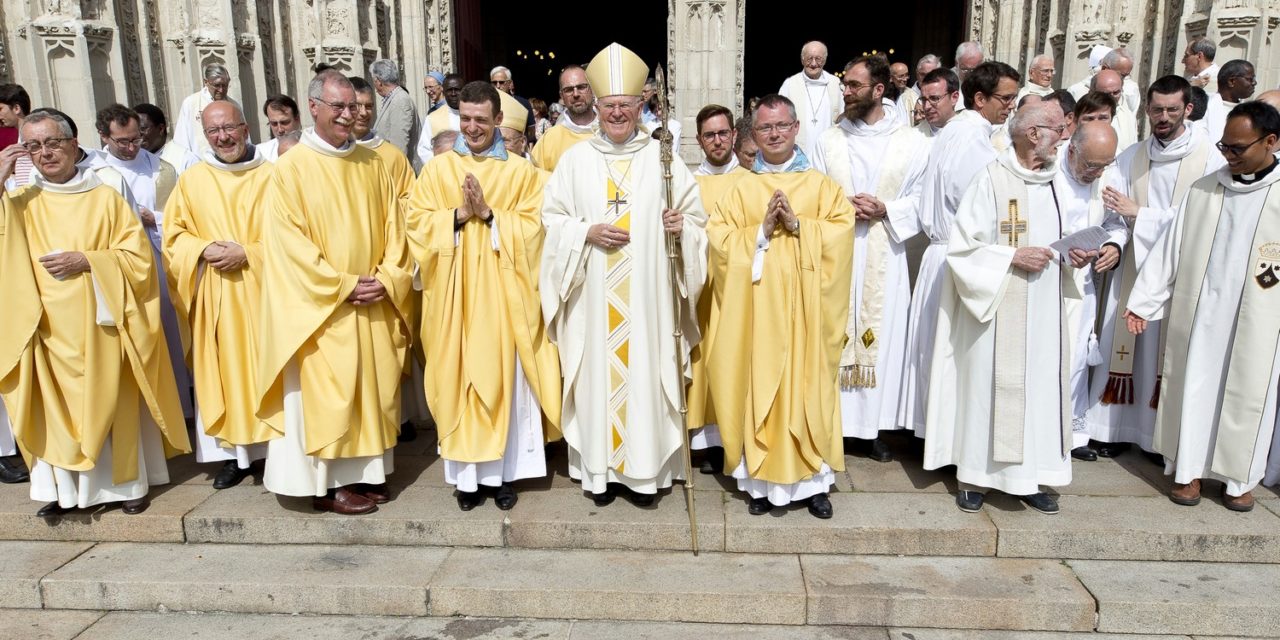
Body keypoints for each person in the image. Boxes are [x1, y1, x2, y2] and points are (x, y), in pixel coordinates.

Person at [540, 43, 707, 507]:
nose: (617, 113)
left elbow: (696, 222)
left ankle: (644, 473)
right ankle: (601, 472)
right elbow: (551, 221)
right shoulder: (575, 161)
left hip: (648, 300)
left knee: (646, 374)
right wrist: (584, 232)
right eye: (609, 105)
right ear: (597, 106)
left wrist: (682, 229)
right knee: (598, 374)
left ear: (642, 107)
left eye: (626, 106)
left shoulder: (666, 161)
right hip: (593, 295)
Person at [0, 110, 190, 517]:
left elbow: (137, 259)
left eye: (52, 142)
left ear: (74, 144)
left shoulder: (104, 196)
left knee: (113, 403)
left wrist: (87, 261)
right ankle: (67, 492)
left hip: (103, 324)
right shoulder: (18, 202)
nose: (45, 153)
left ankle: (127, 485)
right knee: (57, 412)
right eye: (33, 145)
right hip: (45, 329)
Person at [256, 70, 413, 515]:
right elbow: (287, 245)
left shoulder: (372, 163)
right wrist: (341, 285)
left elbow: (396, 229)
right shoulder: (292, 168)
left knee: (371, 389)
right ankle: (325, 483)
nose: (349, 115)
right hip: (322, 309)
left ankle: (366, 474)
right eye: (338, 107)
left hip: (373, 296)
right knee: (329, 392)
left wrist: (388, 277)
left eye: (354, 107)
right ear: (314, 108)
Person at [406, 81, 561, 511]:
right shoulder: (437, 171)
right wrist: (458, 215)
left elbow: (537, 230)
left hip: (504, 295)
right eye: (465, 119)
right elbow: (415, 225)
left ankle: (505, 474)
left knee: (505, 380)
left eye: (481, 119)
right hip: (454, 296)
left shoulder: (520, 173)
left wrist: (491, 215)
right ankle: (468, 478)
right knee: (458, 379)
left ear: (498, 120)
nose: (472, 128)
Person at [1126, 102, 1280, 512]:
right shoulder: (1205, 190)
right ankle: (1187, 472)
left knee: (1250, 391)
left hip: (1262, 320)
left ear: (1271, 142)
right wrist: (1143, 302)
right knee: (1192, 385)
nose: (1228, 156)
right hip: (1201, 317)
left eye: (1238, 149)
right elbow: (1170, 251)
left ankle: (1239, 479)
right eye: (1224, 147)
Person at [706, 94, 854, 518]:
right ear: (753, 135)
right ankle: (760, 482)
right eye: (765, 128)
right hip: (757, 314)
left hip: (808, 312)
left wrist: (799, 225)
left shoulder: (822, 186)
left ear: (795, 129)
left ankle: (815, 483)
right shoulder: (740, 189)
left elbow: (842, 238)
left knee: (809, 387)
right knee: (760, 386)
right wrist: (760, 231)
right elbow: (718, 242)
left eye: (781, 126)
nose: (773, 134)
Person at [925, 101, 1072, 515]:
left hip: (1044, 306)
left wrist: (1076, 252)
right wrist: (1010, 257)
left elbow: (1069, 230)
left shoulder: (1058, 182)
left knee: (1039, 389)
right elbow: (962, 248)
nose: (1063, 136)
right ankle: (976, 477)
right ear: (1032, 134)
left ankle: (1032, 475)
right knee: (989, 389)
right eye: (1057, 129)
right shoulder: (989, 180)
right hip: (995, 304)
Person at [1090, 75, 1224, 459]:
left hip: (1180, 274)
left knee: (1168, 352)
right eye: (1156, 109)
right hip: (1133, 265)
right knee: (1124, 342)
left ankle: (1156, 437)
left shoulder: (1209, 158)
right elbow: (1113, 212)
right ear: (1146, 109)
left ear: (1188, 109)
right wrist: (1115, 241)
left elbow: (1204, 220)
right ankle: (1113, 429)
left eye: (1171, 109)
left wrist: (1142, 214)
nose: (1163, 117)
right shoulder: (1131, 156)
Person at [812, 55, 931, 461]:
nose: (845, 91)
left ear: (879, 90)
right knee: (833, 332)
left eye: (854, 86)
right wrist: (841, 206)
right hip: (837, 250)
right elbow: (811, 192)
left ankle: (871, 430)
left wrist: (886, 210)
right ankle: (834, 425)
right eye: (845, 84)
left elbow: (922, 200)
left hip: (886, 251)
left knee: (884, 334)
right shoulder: (827, 140)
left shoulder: (912, 142)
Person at [900, 61, 1020, 435]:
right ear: (980, 98)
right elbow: (981, 203)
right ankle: (947, 436)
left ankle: (932, 430)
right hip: (960, 255)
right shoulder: (972, 138)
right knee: (955, 354)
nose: (1011, 106)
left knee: (939, 349)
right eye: (1006, 98)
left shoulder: (955, 131)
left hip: (944, 252)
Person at [163, 100, 273, 489]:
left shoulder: (275, 176)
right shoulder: (192, 181)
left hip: (267, 298)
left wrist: (249, 252)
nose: (223, 137)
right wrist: (202, 249)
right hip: (216, 297)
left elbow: (300, 238)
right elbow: (174, 239)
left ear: (245, 128)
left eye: (229, 128)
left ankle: (275, 453)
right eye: (214, 131)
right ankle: (235, 456)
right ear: (205, 135)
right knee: (225, 374)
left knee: (268, 372)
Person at [89, 104, 193, 422]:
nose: (133, 146)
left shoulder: (162, 168)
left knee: (169, 333)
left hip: (158, 260)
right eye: (123, 141)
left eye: (136, 138)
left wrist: (154, 219)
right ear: (104, 137)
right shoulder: (95, 173)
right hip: (117, 264)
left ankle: (179, 408)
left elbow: (180, 217)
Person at [1053, 123, 1127, 461]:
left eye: (1104, 165)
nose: (1096, 173)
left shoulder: (1109, 177)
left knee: (1076, 362)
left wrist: (1114, 245)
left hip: (1082, 289)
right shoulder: (1048, 170)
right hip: (1047, 280)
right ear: (1071, 150)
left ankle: (1069, 434)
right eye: (1090, 165)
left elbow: (1115, 223)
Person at [687, 104, 748, 474]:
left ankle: (733, 433)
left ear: (735, 135)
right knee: (702, 360)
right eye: (709, 135)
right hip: (698, 286)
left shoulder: (750, 180)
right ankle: (704, 438)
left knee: (733, 357)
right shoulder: (686, 182)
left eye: (723, 133)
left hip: (737, 289)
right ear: (698, 141)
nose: (717, 141)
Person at [351, 77, 416, 199]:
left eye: (369, 106)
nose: (364, 113)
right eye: (357, 106)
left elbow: (410, 201)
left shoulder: (393, 156)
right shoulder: (331, 153)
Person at [778, 41, 842, 158]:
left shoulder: (835, 83)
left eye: (818, 59)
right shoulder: (790, 84)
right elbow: (779, 118)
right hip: (797, 152)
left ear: (825, 60)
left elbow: (843, 116)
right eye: (809, 59)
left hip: (829, 151)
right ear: (802, 60)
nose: (813, 64)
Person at [531, 65, 597, 172]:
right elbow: (535, 181)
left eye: (581, 87)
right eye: (569, 90)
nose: (576, 94)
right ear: (561, 95)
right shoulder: (549, 139)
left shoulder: (609, 132)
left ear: (592, 89)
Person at [173, 63, 240, 157]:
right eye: (217, 85)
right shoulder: (191, 103)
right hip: (199, 162)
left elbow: (243, 136)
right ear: (206, 82)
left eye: (225, 85)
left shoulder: (234, 105)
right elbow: (181, 140)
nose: (221, 90)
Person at [369, 59, 420, 164]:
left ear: (378, 81)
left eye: (374, 80)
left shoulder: (400, 100)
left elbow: (399, 146)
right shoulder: (393, 98)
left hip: (396, 172)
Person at [1203, 60, 1257, 152]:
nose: (1254, 83)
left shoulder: (1250, 112)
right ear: (1232, 81)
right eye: (1250, 79)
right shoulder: (1204, 108)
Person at [134, 103, 199, 174]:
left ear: (161, 129)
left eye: (143, 128)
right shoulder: (134, 161)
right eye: (134, 130)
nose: (138, 134)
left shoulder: (186, 160)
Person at [414, 73, 463, 165]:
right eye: (449, 90)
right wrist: (440, 167)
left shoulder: (474, 113)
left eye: (457, 89)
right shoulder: (432, 118)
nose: (453, 94)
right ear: (444, 91)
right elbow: (424, 149)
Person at [1090, 70, 1138, 149]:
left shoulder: (1128, 116)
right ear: (1092, 92)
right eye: (1106, 94)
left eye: (1116, 92)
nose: (1112, 97)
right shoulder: (1084, 116)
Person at [258, 95, 303, 163]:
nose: (280, 130)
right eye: (274, 124)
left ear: (297, 119)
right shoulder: (261, 153)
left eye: (284, 122)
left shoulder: (314, 147)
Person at [918, 68, 961, 135]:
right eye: (923, 100)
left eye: (934, 98)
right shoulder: (913, 136)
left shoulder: (969, 134)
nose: (926, 107)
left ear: (954, 97)